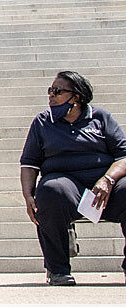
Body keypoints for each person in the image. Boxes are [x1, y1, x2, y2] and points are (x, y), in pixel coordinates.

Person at [20, 71, 126, 286]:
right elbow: (29, 163)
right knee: (50, 190)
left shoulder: (100, 117)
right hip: (66, 186)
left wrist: (108, 180)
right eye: (50, 90)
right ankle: (58, 270)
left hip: (105, 187)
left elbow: (123, 155)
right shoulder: (42, 122)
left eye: (57, 91)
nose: (51, 95)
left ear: (76, 97)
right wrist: (28, 195)